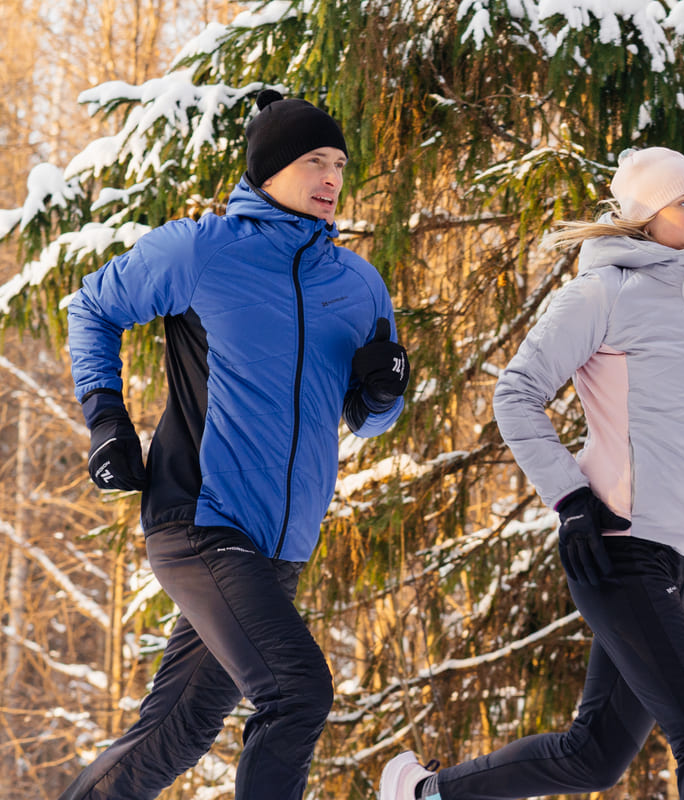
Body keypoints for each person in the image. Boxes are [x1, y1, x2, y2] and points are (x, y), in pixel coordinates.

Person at [380, 146, 684, 800]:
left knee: (597, 756)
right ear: (644, 215)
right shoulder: (602, 293)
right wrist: (570, 497)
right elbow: (516, 392)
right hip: (617, 544)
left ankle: (424, 794)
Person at [62, 89, 410, 800]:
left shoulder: (358, 284)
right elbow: (92, 306)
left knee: (179, 730)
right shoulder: (202, 249)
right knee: (298, 691)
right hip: (199, 520)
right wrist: (106, 419)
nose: (332, 179)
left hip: (280, 547)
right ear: (269, 170)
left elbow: (369, 418)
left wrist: (379, 395)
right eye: (315, 161)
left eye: (341, 164)